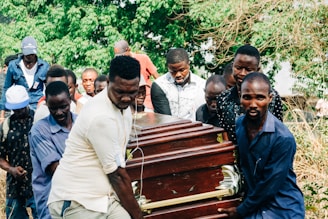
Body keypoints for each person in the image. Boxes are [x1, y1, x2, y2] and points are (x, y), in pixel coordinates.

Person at [48, 56, 143, 219]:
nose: (126, 98)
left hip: (104, 200)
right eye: (120, 92)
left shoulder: (123, 107)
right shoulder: (100, 117)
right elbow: (118, 176)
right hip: (76, 201)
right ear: (108, 82)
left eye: (132, 92)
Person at [218, 72, 305, 218]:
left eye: (260, 98)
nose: (253, 104)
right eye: (247, 97)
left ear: (270, 98)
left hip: (283, 209)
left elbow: (269, 185)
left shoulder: (282, 138)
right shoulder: (240, 125)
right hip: (255, 204)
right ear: (240, 97)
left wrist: (240, 211)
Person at [216, 45, 283, 143]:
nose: (242, 73)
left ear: (257, 69)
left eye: (248, 70)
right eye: (238, 68)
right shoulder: (223, 99)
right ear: (232, 66)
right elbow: (224, 134)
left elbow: (278, 131)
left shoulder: (271, 97)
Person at [29, 81, 76, 219]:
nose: (59, 112)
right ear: (46, 105)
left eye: (63, 106)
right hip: (53, 204)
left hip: (80, 201)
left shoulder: (81, 124)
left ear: (70, 100)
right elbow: (57, 171)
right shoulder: (39, 131)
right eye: (53, 108)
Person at [0, 85, 37, 219]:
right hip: (15, 187)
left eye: (21, 107)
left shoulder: (38, 120)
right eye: (16, 109)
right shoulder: (6, 126)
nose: (19, 111)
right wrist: (11, 169)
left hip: (38, 184)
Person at [0, 36, 49, 123]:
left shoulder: (44, 66)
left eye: (32, 54)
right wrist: (2, 115)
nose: (30, 56)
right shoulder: (13, 66)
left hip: (38, 106)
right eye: (27, 54)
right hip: (18, 107)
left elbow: (50, 89)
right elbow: (6, 89)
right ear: (22, 51)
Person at [151, 48, 206, 120]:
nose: (178, 74)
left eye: (182, 70)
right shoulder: (160, 86)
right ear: (168, 67)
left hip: (198, 130)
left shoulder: (202, 85)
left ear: (188, 65)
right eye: (173, 71)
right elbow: (165, 119)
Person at [114, 40, 159, 110]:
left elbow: (158, 79)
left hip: (146, 99)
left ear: (128, 50)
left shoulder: (143, 58)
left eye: (122, 55)